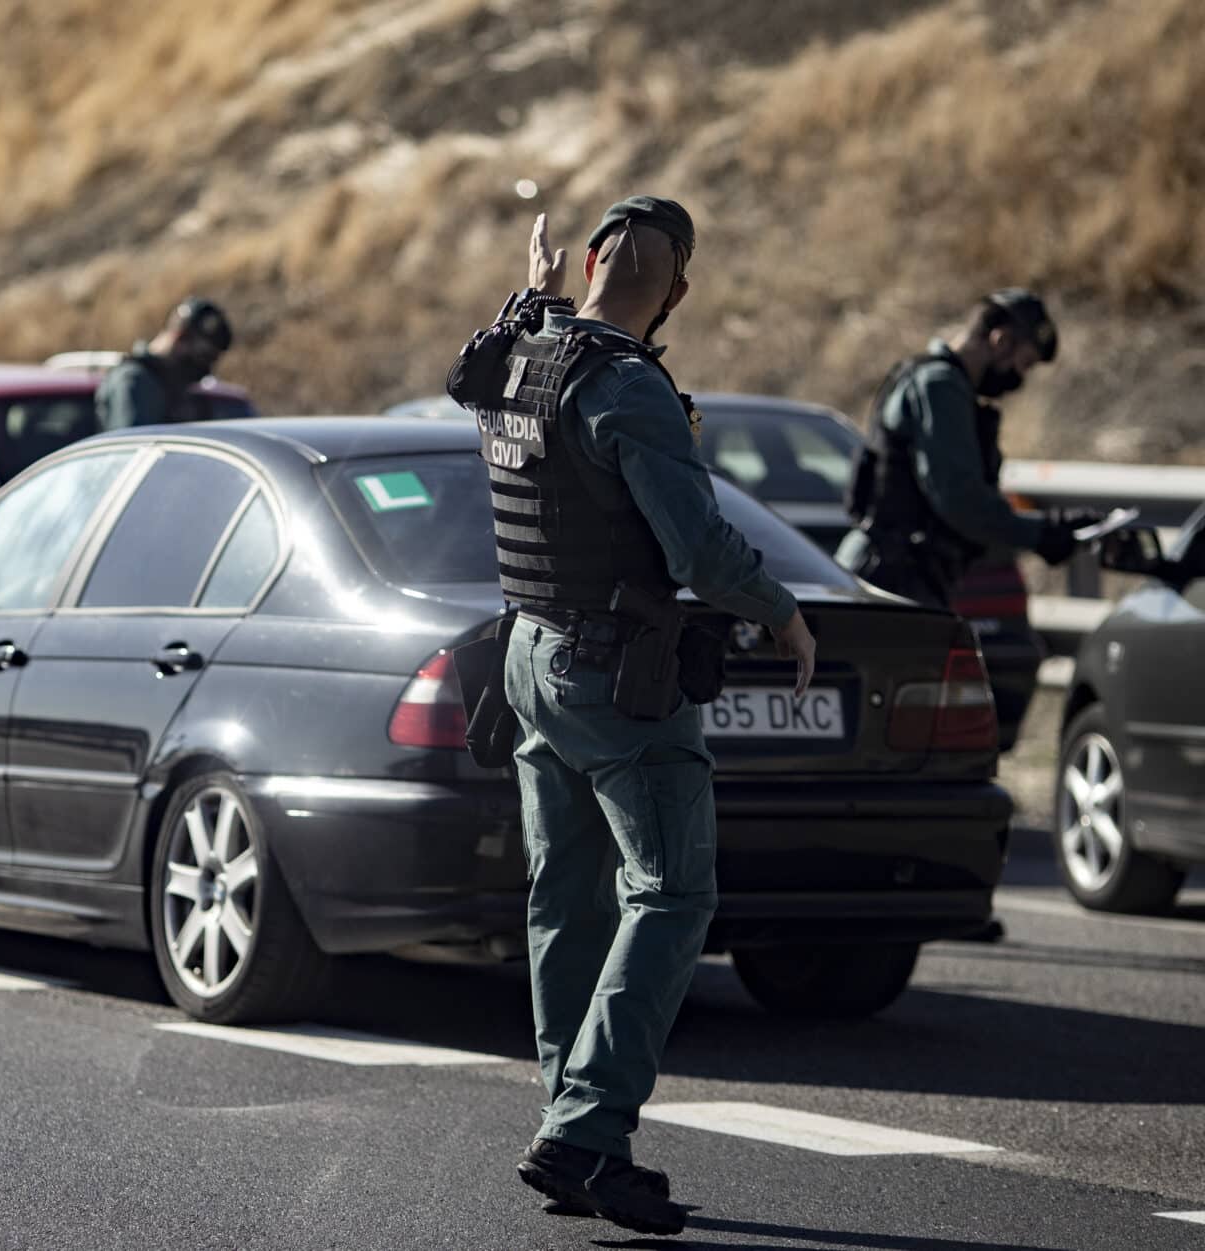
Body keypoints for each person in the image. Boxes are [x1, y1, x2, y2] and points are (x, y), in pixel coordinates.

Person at [447, 199, 814, 1236]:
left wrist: (531, 295)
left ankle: (568, 1121)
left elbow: (469, 372)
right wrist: (779, 611)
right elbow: (695, 552)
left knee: (567, 896)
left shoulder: (522, 353)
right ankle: (587, 1135)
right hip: (613, 676)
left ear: (591, 261)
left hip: (524, 656)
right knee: (668, 893)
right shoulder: (627, 388)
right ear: (679, 293)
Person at [837, 290, 1083, 607]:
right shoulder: (941, 386)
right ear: (1001, 341)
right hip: (894, 575)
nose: (1020, 378)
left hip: (892, 571)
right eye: (1024, 364)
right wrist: (1040, 534)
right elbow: (960, 498)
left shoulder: (932, 378)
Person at [93, 297, 234, 430]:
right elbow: (132, 445)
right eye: (203, 356)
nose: (206, 368)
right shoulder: (134, 381)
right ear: (180, 338)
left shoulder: (172, 385)